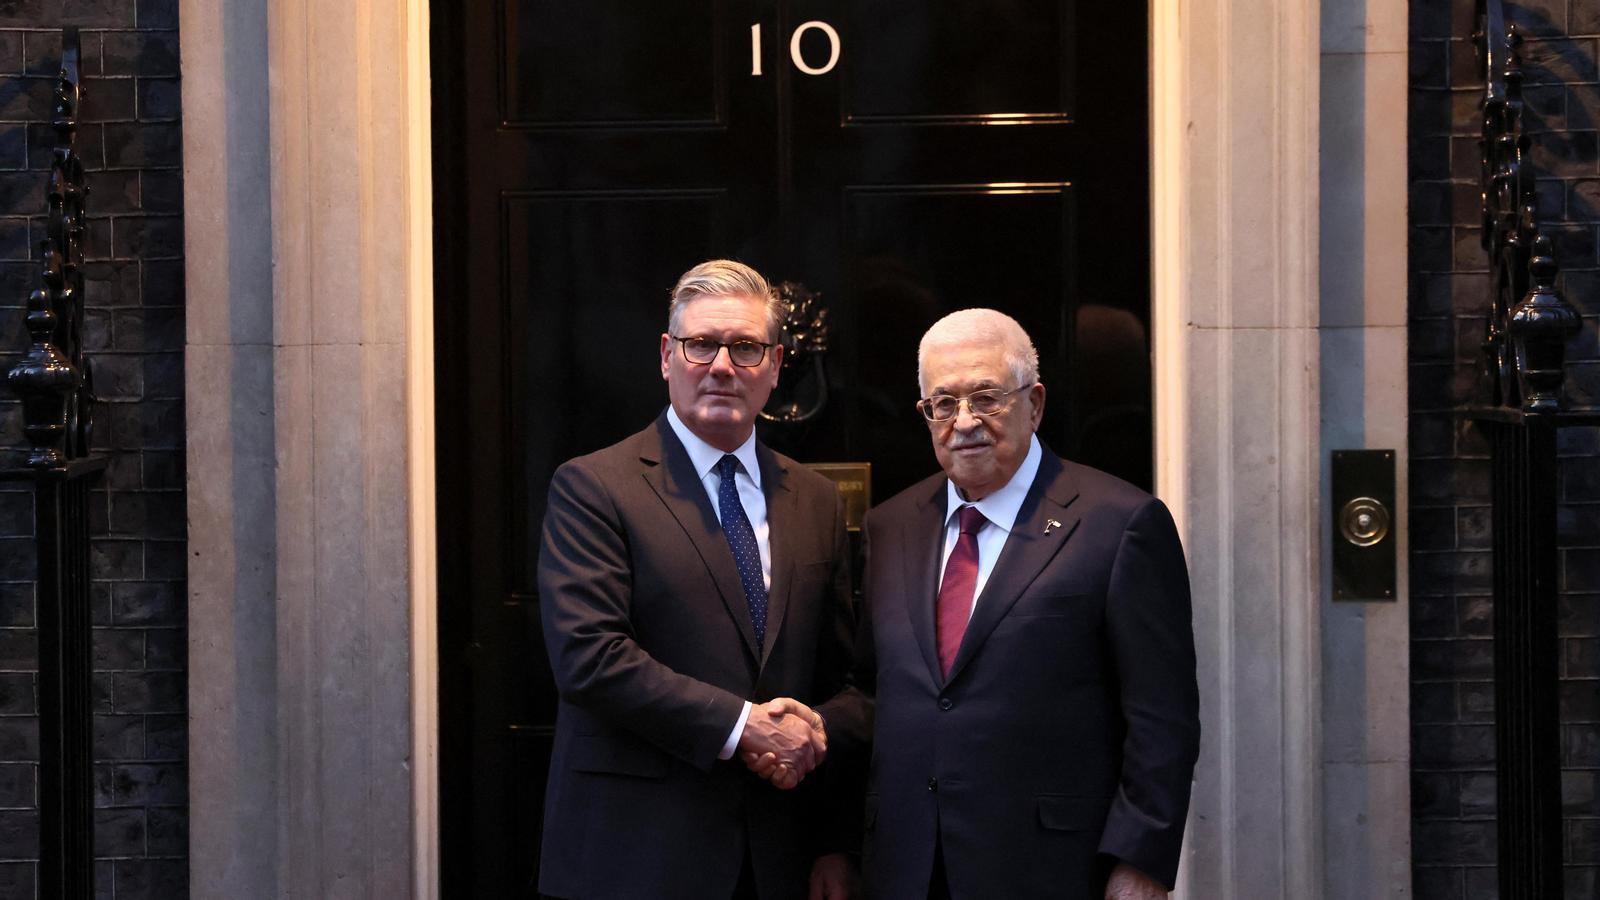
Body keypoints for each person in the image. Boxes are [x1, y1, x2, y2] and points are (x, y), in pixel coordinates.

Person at [804, 308, 1200, 898]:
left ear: (1034, 403)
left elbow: (1161, 716)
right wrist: (833, 831)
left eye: (986, 397)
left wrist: (1139, 862)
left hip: (1050, 867)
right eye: (943, 403)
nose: (964, 422)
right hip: (904, 867)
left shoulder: (1120, 524)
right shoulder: (891, 527)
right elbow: (872, 689)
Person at [537, 260, 860, 899]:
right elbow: (590, 659)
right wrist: (747, 727)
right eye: (701, 344)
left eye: (745, 348)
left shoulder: (818, 501)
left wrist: (834, 838)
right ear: (666, 355)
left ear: (774, 364)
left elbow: (842, 677)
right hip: (636, 855)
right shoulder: (594, 487)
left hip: (777, 858)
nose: (721, 365)